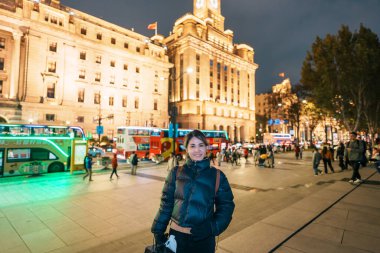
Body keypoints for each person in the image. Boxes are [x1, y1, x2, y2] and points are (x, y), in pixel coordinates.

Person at [151, 130, 235, 253]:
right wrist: (158, 230)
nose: (197, 150)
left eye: (201, 145)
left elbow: (227, 206)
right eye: (192, 146)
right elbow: (166, 204)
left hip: (203, 239)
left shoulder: (217, 176)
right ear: (187, 149)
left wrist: (211, 227)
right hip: (176, 238)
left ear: (207, 147)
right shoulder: (176, 172)